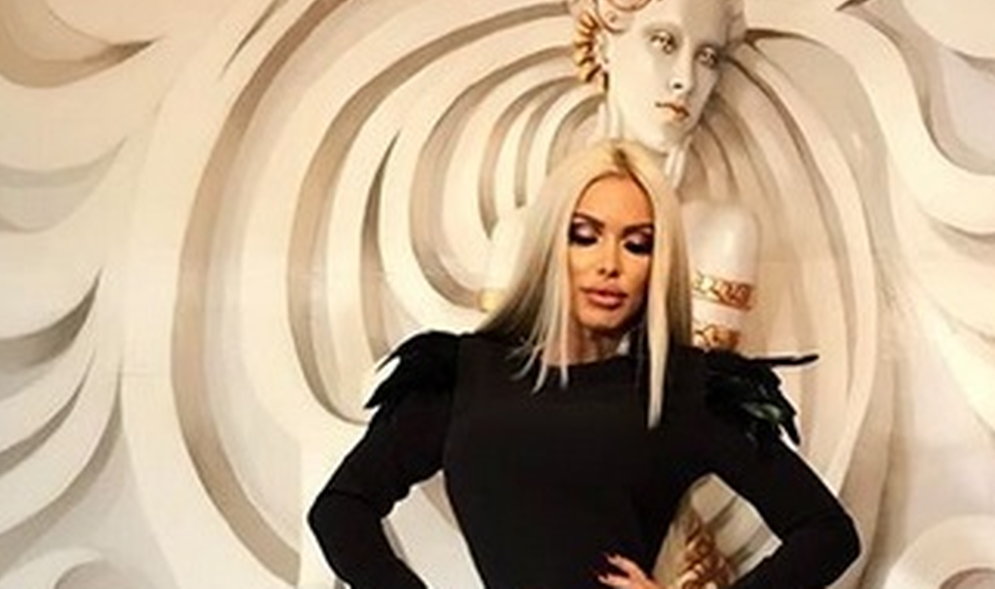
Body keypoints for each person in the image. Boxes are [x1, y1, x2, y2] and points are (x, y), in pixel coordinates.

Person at [308, 140, 859, 588]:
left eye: (637, 245)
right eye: (585, 236)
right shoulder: (461, 375)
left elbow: (827, 533)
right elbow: (340, 510)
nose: (609, 265)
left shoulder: (685, 390)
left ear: (659, 264)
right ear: (552, 245)